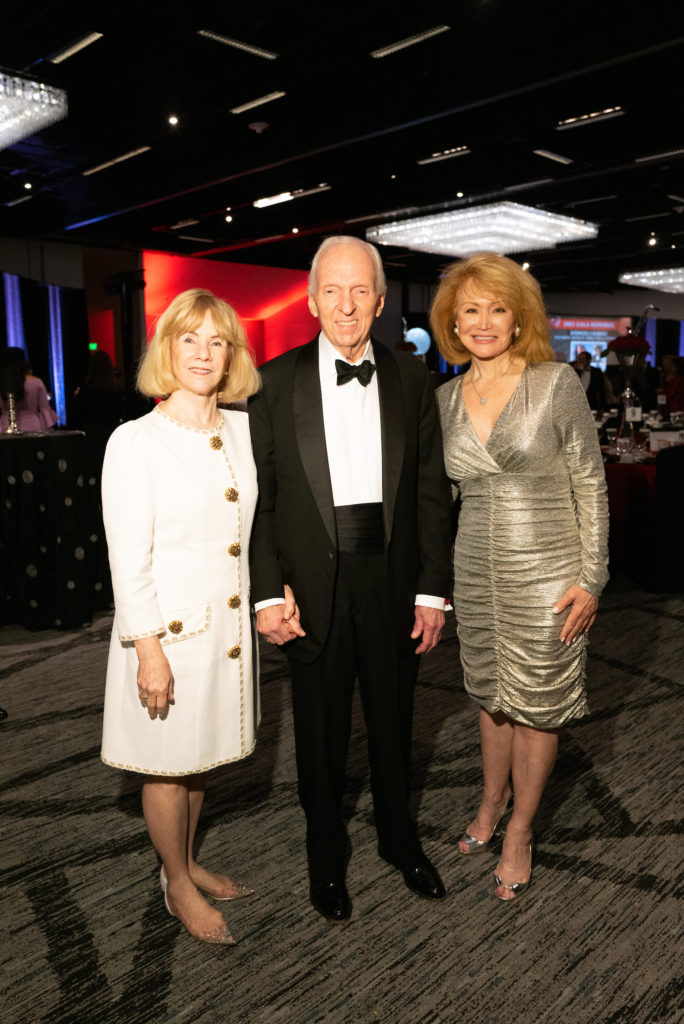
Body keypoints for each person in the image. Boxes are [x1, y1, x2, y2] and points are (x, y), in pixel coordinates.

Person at [248, 236, 452, 924]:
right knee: (321, 732)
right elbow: (263, 502)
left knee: (396, 725)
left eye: (360, 290)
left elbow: (430, 490)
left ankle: (400, 840)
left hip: (391, 577)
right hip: (312, 585)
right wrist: (268, 591)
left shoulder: (412, 379)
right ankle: (326, 855)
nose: (346, 304)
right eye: (332, 290)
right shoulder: (273, 384)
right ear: (311, 300)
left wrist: (431, 590)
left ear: (382, 300)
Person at [430, 253, 609, 901]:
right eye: (470, 309)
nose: (483, 322)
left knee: (538, 705)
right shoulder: (444, 398)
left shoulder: (555, 382)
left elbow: (591, 482)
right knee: (488, 694)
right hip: (476, 572)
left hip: (550, 570)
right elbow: (435, 502)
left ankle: (521, 830)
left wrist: (592, 577)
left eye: (497, 308)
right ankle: (489, 801)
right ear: (452, 321)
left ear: (518, 318)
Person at [101, 288, 272, 945]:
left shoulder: (244, 429)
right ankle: (174, 881)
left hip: (224, 638)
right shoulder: (135, 442)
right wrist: (147, 649)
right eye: (189, 339)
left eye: (217, 341)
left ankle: (189, 859)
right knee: (167, 768)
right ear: (167, 350)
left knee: (199, 761)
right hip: (168, 637)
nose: (203, 353)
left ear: (232, 355)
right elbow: (128, 558)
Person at [0, 348, 57, 431]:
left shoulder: (2, 383)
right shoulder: (36, 382)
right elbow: (44, 409)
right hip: (33, 427)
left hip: (5, 427)